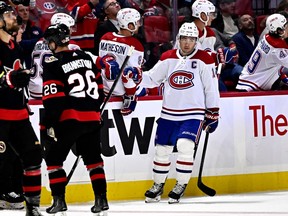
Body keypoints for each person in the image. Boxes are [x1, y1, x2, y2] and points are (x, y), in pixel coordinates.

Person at [141, 22, 220, 204]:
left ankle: (180, 184)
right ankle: (158, 184)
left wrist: (213, 112)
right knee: (161, 150)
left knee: (185, 146)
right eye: (184, 39)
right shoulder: (168, 57)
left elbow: (211, 88)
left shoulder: (204, 59)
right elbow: (152, 78)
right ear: (179, 39)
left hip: (193, 113)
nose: (187, 43)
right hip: (169, 113)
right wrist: (137, 76)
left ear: (196, 41)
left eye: (191, 39)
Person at [42, 23, 111, 215]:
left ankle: (59, 202)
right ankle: (101, 199)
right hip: (92, 119)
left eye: (50, 41)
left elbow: (53, 99)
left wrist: (47, 123)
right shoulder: (86, 58)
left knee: (54, 159)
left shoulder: (52, 63)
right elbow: (99, 89)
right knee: (94, 160)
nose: (49, 45)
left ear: (55, 42)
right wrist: (94, 110)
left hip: (69, 119)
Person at [0, 2, 43, 216]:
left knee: (34, 154)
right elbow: (6, 77)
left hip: (18, 113)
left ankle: (32, 207)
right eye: (8, 14)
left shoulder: (13, 46)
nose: (13, 17)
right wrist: (8, 79)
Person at [99, 8, 144, 115]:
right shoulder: (135, 44)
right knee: (132, 73)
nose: (139, 25)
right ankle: (130, 98)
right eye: (136, 22)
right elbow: (134, 76)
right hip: (121, 90)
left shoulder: (105, 37)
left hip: (105, 87)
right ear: (129, 25)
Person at [28, 12, 79, 99]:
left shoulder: (39, 42)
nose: (71, 31)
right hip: (51, 91)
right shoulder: (70, 45)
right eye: (70, 27)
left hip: (33, 90)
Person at [236, 13, 288, 91]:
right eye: (286, 26)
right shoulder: (276, 49)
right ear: (279, 30)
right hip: (252, 87)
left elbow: (276, 66)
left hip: (249, 78)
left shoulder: (267, 37)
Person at [16, 3, 43, 68]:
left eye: (27, 10)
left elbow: (44, 43)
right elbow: (19, 44)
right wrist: (37, 41)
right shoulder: (13, 30)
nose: (25, 13)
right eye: (21, 10)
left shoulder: (37, 29)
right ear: (16, 13)